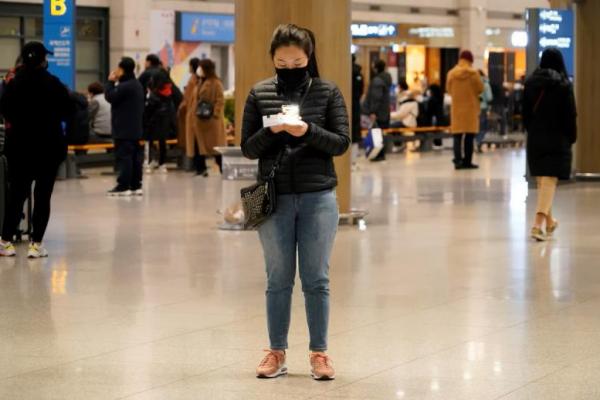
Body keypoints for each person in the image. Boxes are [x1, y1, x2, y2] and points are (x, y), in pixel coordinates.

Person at [241, 24, 350, 381]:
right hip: (274, 197)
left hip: (318, 195)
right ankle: (276, 351)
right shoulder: (259, 93)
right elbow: (247, 147)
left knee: (316, 278)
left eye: (298, 60)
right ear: (273, 59)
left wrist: (307, 131)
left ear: (309, 57)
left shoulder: (327, 91)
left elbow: (341, 142)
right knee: (278, 278)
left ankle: (319, 352)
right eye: (282, 61)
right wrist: (270, 131)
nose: (290, 66)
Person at [0, 42, 75, 258]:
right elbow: (69, 109)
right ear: (43, 60)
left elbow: (3, 108)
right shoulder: (53, 83)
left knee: (17, 194)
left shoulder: (13, 84)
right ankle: (36, 244)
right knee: (43, 196)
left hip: (19, 148)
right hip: (48, 148)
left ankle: (5, 241)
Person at [523, 48, 576, 242]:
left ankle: (550, 222)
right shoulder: (563, 85)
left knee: (543, 180)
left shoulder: (530, 83)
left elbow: (525, 114)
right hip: (557, 137)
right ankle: (537, 225)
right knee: (549, 179)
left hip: (536, 137)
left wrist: (533, 131)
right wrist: (571, 136)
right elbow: (570, 115)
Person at [105, 57, 145, 196]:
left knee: (125, 157)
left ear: (121, 70)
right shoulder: (137, 84)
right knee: (135, 158)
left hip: (124, 129)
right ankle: (135, 185)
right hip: (136, 129)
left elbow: (110, 97)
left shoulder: (125, 86)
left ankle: (123, 185)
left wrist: (110, 82)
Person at [187, 58, 226, 175]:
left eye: (201, 67)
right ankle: (201, 168)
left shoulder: (216, 82)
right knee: (199, 146)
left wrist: (215, 113)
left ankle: (223, 168)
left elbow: (220, 100)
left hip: (211, 121)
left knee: (215, 147)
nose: (198, 69)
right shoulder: (199, 82)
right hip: (199, 119)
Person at [446, 50, 484, 170]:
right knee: (469, 136)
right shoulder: (474, 74)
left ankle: (457, 161)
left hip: (457, 108)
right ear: (471, 60)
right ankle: (467, 161)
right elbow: (480, 89)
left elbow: (449, 89)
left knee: (457, 136)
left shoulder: (451, 73)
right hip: (471, 108)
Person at [143, 69, 177, 173]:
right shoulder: (169, 89)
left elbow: (148, 108)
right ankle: (162, 163)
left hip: (153, 120)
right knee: (162, 142)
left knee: (149, 141)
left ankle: (149, 162)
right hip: (165, 121)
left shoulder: (154, 92)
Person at [362, 59, 392, 162]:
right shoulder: (386, 79)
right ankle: (381, 154)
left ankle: (378, 154)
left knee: (377, 133)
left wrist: (373, 111)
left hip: (378, 112)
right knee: (381, 133)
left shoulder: (377, 81)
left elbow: (376, 97)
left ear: (376, 68)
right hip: (385, 111)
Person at [177, 58, 202, 172]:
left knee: (190, 141)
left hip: (189, 114)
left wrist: (181, 108)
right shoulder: (199, 79)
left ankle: (191, 166)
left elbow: (187, 98)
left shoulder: (193, 80)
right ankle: (195, 166)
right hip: (192, 113)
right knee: (193, 141)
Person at [476, 70, 493, 153]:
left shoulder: (473, 83)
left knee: (476, 126)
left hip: (474, 108)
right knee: (483, 127)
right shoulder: (485, 84)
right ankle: (478, 142)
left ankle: (476, 142)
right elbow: (489, 97)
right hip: (483, 108)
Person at [351, 54, 364, 150]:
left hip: (346, 100)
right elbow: (361, 90)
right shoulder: (359, 74)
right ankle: (354, 156)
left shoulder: (346, 72)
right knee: (355, 126)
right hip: (356, 102)